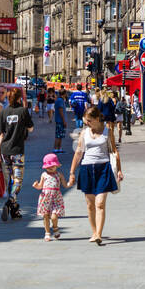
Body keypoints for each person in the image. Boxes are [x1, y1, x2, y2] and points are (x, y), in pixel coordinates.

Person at [67, 105, 122, 245]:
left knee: (100, 203)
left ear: (97, 119)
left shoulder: (107, 131)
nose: (87, 124)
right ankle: (94, 232)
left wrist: (120, 170)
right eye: (86, 121)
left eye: (89, 121)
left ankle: (99, 234)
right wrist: (72, 172)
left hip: (103, 168)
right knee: (90, 205)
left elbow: (114, 151)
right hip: (87, 169)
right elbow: (78, 152)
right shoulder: (84, 133)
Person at [0, 87, 34, 221]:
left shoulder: (4, 112)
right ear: (20, 98)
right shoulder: (23, 111)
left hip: (5, 151)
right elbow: (31, 128)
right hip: (17, 151)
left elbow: (1, 134)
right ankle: (10, 202)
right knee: (18, 180)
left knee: (11, 180)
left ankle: (14, 210)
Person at [32, 153, 66, 241]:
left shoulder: (59, 175)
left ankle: (55, 228)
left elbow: (65, 185)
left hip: (56, 198)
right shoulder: (44, 175)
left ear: (57, 165)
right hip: (45, 198)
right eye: (48, 166)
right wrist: (36, 186)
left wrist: (71, 183)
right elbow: (40, 186)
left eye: (52, 166)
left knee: (54, 216)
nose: (50, 168)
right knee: (46, 215)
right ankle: (47, 232)